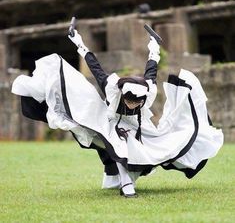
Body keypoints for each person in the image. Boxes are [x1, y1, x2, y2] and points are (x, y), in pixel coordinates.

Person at [12, 27, 224, 198]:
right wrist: (78, 41)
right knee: (119, 147)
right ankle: (124, 185)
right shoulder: (112, 89)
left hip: (137, 127)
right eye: (130, 100)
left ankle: (116, 180)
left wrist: (154, 46)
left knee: (154, 149)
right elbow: (93, 65)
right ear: (123, 94)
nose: (133, 104)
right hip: (109, 122)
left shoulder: (146, 91)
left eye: (137, 101)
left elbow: (152, 66)